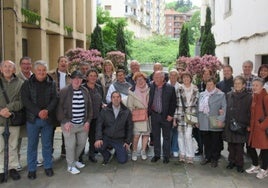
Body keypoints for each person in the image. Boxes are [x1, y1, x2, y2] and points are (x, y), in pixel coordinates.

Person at [21, 60, 58, 180]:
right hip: (33, 120)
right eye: (39, 70)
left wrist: (46, 111)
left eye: (44, 70)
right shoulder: (27, 84)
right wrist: (38, 112)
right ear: (35, 71)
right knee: (32, 145)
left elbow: (55, 99)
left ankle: (48, 166)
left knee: (47, 144)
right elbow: (25, 100)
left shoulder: (51, 83)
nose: (41, 72)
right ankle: (32, 169)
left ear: (46, 71)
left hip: (47, 119)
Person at [57, 70, 92, 174]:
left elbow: (89, 107)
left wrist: (88, 121)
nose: (77, 80)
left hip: (82, 124)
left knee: (81, 144)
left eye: (80, 78)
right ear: (71, 79)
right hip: (69, 124)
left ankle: (75, 160)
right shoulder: (64, 91)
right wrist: (64, 121)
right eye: (75, 78)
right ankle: (70, 166)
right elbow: (59, 108)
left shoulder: (85, 90)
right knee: (70, 145)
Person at [0, 60, 23, 182]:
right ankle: (1, 169)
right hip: (0, 120)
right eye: (5, 66)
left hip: (13, 118)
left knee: (13, 146)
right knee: (0, 147)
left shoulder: (20, 83)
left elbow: (21, 101)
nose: (7, 69)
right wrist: (1, 111)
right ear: (1, 69)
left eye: (10, 67)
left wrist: (9, 109)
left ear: (14, 70)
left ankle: (12, 168)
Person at [95, 91, 133, 165]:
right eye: (114, 97)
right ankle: (107, 155)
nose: (116, 99)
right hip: (107, 137)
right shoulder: (105, 110)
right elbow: (99, 125)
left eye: (118, 97)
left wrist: (127, 141)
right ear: (111, 99)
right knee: (97, 146)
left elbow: (129, 127)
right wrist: (98, 138)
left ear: (120, 99)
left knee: (122, 160)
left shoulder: (126, 111)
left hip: (119, 139)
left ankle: (118, 152)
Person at [223, 76, 252, 173]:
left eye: (239, 83)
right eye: (235, 83)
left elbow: (250, 112)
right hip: (230, 123)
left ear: (243, 85)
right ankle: (231, 162)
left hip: (241, 125)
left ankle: (239, 164)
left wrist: (248, 124)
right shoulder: (228, 95)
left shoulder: (248, 97)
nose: (237, 85)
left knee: (239, 147)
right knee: (230, 145)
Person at [148, 71, 176, 164]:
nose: (155, 79)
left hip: (166, 116)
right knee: (156, 136)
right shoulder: (151, 86)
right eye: (154, 77)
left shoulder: (170, 88)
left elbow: (173, 103)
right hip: (155, 115)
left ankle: (166, 156)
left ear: (163, 78)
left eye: (157, 77)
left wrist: (170, 115)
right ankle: (156, 155)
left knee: (166, 137)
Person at [198, 77, 226, 168]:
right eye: (207, 84)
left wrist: (221, 120)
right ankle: (207, 157)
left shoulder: (221, 95)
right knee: (206, 141)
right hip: (204, 121)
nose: (209, 86)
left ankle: (215, 159)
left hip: (215, 121)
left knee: (215, 141)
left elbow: (224, 108)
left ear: (214, 85)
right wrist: (197, 121)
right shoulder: (202, 94)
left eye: (211, 85)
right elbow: (197, 108)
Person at [49, 56, 71, 158]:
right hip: (53, 106)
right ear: (58, 63)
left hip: (65, 107)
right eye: (61, 61)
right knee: (50, 130)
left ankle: (64, 150)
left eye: (65, 62)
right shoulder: (50, 75)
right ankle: (49, 151)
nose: (63, 63)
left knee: (65, 129)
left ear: (68, 64)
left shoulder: (70, 77)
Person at [245, 78, 268, 179]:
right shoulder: (254, 96)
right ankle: (255, 165)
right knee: (250, 146)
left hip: (262, 129)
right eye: (253, 85)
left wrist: (262, 126)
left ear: (262, 86)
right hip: (253, 128)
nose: (254, 87)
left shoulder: (266, 97)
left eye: (257, 85)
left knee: (265, 149)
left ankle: (264, 169)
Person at [174, 71, 199, 164]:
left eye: (187, 77)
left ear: (190, 78)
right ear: (182, 79)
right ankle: (182, 154)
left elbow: (197, 104)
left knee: (188, 135)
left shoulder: (195, 88)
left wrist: (197, 119)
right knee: (180, 136)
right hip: (181, 114)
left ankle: (190, 155)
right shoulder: (179, 88)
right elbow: (176, 104)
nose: (186, 79)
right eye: (184, 77)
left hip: (191, 115)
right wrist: (175, 118)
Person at [127, 72, 150, 161]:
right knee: (136, 135)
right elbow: (129, 106)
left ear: (145, 80)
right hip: (137, 116)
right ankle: (134, 151)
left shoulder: (150, 89)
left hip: (147, 115)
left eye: (142, 79)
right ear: (135, 81)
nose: (140, 81)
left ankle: (143, 151)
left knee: (146, 134)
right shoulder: (132, 91)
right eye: (138, 80)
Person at [16, 56, 33, 170]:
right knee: (17, 139)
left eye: (28, 64)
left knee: (33, 138)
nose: (26, 66)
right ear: (20, 65)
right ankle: (15, 161)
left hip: (33, 113)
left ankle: (33, 159)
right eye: (24, 64)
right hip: (20, 113)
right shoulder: (16, 78)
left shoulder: (35, 76)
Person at [84, 69, 104, 163]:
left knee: (93, 137)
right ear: (87, 77)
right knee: (82, 138)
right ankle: (79, 157)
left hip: (96, 116)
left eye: (94, 76)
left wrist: (102, 104)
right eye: (91, 75)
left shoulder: (99, 87)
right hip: (85, 117)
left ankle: (91, 155)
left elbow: (101, 100)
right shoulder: (82, 88)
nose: (93, 77)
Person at [194, 68, 213, 156]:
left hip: (210, 114)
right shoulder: (197, 86)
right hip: (200, 113)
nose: (205, 76)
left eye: (207, 74)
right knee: (196, 132)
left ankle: (210, 151)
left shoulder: (214, 86)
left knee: (210, 134)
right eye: (204, 74)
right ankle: (200, 148)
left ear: (211, 75)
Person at [168, 69, 181, 157]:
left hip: (178, 112)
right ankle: (168, 149)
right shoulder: (165, 85)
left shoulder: (180, 87)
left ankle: (175, 148)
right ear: (169, 76)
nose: (173, 77)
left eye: (175, 75)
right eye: (171, 75)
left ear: (177, 77)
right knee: (168, 132)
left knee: (176, 131)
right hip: (167, 113)